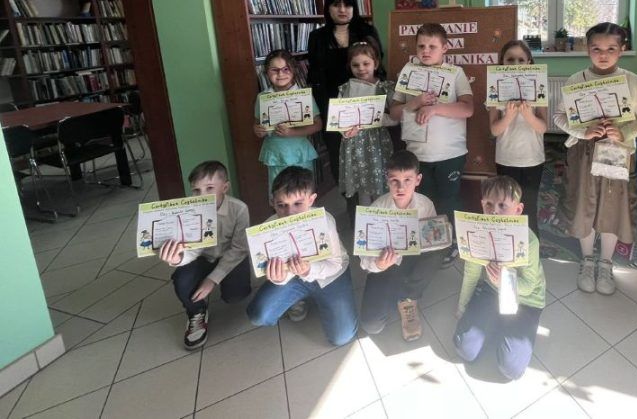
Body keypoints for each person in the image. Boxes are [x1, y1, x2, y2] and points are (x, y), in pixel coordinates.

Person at [552, 23, 637, 296]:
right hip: (584, 153)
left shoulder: (632, 81)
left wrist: (624, 132)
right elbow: (559, 116)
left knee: (613, 206)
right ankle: (587, 260)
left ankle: (605, 262)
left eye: (611, 49)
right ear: (587, 49)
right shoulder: (576, 80)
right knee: (584, 204)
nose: (603, 55)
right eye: (596, 49)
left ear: (622, 50)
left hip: (618, 152)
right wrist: (583, 131)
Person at [389, 23, 474, 267]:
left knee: (449, 200)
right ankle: (428, 244)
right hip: (417, 155)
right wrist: (415, 102)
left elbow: (468, 109)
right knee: (424, 201)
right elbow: (394, 113)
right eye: (421, 46)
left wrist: (435, 108)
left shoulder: (456, 73)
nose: (426, 51)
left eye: (432, 46)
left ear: (445, 48)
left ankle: (451, 243)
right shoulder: (408, 72)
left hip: (450, 154)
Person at [245, 167, 358, 346]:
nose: (290, 213)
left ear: (311, 200)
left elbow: (335, 264)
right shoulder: (268, 229)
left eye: (298, 204)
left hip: (330, 276)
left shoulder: (324, 220)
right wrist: (278, 279)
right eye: (282, 205)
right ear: (272, 202)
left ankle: (322, 299)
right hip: (293, 278)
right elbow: (270, 269)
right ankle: (297, 298)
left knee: (341, 337)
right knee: (258, 315)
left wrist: (308, 270)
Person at [453, 176, 545, 381]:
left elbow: (529, 287)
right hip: (492, 291)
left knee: (510, 369)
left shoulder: (529, 241)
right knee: (464, 348)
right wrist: (462, 307)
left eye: (502, 205)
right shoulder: (477, 232)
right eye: (489, 204)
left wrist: (503, 282)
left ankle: (505, 325)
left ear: (518, 210)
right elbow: (471, 274)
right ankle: (492, 321)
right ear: (482, 205)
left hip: (526, 301)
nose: (494, 211)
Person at [157, 161, 251, 350]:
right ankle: (196, 312)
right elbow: (191, 249)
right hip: (201, 257)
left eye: (209, 188)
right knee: (182, 280)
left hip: (230, 257)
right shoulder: (188, 211)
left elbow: (239, 249)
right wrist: (177, 258)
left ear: (225, 187)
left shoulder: (239, 209)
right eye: (196, 190)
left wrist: (212, 279)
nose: (202, 195)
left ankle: (224, 284)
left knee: (235, 296)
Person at [358, 150, 442, 341]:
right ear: (387, 180)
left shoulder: (425, 205)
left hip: (413, 260)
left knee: (440, 249)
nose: (401, 187)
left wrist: (437, 236)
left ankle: (408, 298)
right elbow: (364, 260)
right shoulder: (375, 209)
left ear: (418, 180)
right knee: (372, 325)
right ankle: (395, 290)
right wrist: (379, 264)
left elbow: (432, 243)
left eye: (407, 180)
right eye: (394, 180)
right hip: (386, 265)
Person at [307, 0, 384, 186]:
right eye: (336, 5)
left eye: (347, 5)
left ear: (354, 7)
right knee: (339, 161)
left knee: (369, 159)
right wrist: (325, 112)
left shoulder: (367, 31)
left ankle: (372, 201)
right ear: (328, 8)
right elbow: (315, 76)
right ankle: (350, 201)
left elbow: (379, 68)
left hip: (365, 107)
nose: (342, 9)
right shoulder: (317, 36)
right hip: (332, 109)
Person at [488, 40, 547, 236]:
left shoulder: (538, 89)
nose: (515, 64)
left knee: (528, 205)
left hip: (532, 158)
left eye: (521, 60)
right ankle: (508, 244)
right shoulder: (495, 90)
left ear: (529, 62)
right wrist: (509, 116)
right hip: (506, 158)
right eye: (510, 59)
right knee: (506, 205)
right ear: (502, 62)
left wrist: (528, 115)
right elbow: (494, 130)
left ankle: (531, 247)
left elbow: (543, 127)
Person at [338, 39, 394, 223]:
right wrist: (345, 131)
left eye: (366, 63)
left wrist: (373, 119)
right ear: (350, 66)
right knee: (363, 186)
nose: (361, 68)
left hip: (377, 143)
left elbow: (395, 118)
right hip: (355, 144)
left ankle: (383, 223)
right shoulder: (345, 89)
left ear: (375, 64)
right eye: (356, 65)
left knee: (381, 184)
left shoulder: (385, 87)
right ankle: (367, 226)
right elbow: (339, 118)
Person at [253, 49, 322, 195]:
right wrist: (258, 130)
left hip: (300, 152)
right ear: (266, 72)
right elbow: (258, 124)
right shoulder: (263, 97)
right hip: (275, 154)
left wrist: (293, 132)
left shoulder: (303, 95)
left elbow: (317, 124)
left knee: (303, 192)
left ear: (293, 70)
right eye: (274, 70)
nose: (280, 74)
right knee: (280, 193)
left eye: (286, 69)